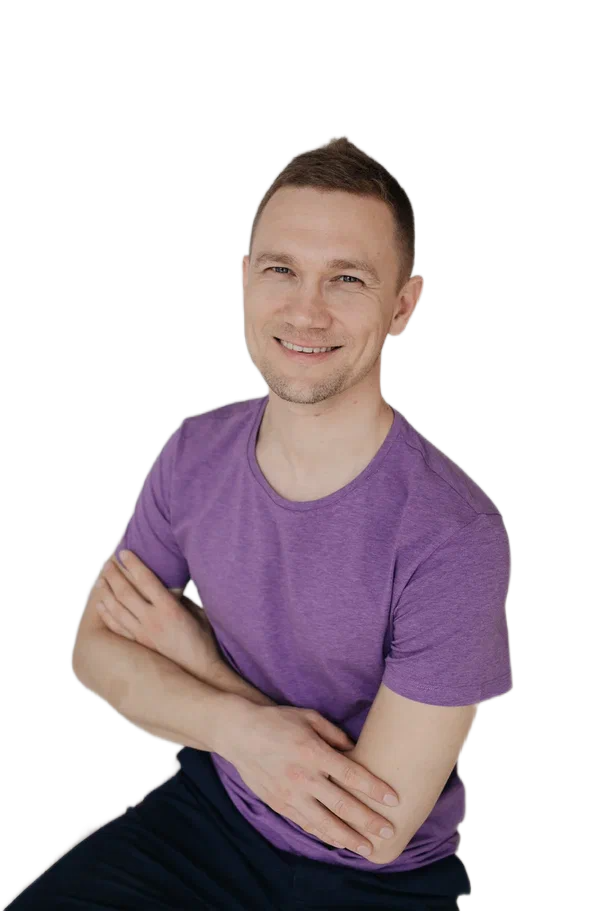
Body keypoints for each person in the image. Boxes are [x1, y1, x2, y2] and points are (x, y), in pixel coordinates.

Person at [7, 134, 513, 909]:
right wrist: (241, 732)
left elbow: (372, 826)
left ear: (403, 305)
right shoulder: (194, 451)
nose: (305, 310)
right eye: (281, 270)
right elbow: (95, 651)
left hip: (375, 881)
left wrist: (202, 666)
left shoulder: (453, 533)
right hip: (211, 816)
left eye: (346, 278)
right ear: (244, 279)